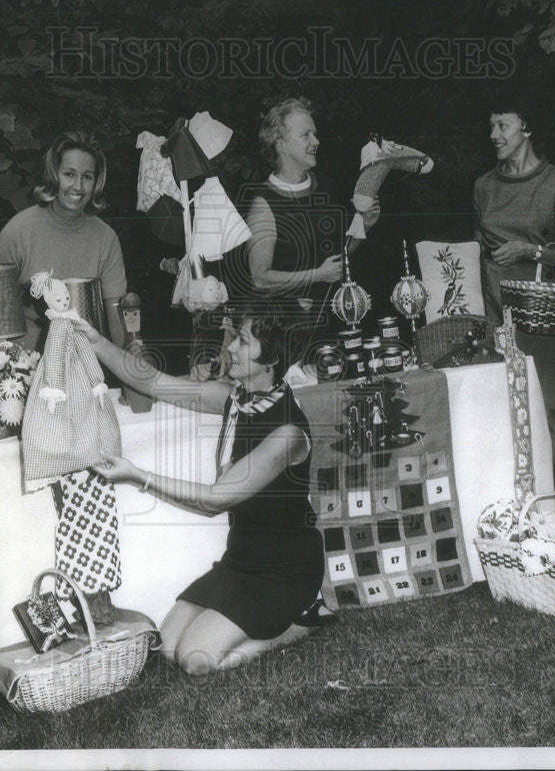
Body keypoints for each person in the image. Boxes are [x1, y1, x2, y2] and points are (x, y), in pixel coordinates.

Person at [74, 305, 323, 676]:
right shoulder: (233, 399)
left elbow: (214, 499)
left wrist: (136, 475)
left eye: (242, 341)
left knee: (195, 660)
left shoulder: (285, 433)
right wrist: (96, 342)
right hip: (241, 562)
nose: (231, 349)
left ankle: (301, 623)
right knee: (169, 646)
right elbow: (154, 382)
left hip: (285, 570)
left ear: (269, 357)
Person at [473, 99, 555, 529]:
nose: (494, 134)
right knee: (502, 418)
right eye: (490, 125)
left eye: (502, 124)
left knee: (550, 418)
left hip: (539, 314)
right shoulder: (483, 185)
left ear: (527, 126)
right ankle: (519, 521)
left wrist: (532, 249)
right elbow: (477, 250)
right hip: (493, 316)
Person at [243, 97, 378, 341]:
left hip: (339, 321)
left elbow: (338, 261)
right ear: (281, 144)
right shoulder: (263, 203)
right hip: (293, 330)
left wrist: (363, 226)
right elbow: (260, 279)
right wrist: (316, 274)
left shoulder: (324, 186)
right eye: (306, 135)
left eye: (314, 134)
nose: (316, 141)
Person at [0, 130, 128, 354]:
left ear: (97, 183)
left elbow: (117, 318)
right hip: (25, 361)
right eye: (69, 174)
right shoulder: (17, 230)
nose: (78, 187)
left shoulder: (106, 238)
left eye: (87, 177)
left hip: (86, 359)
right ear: (53, 175)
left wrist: (126, 371)